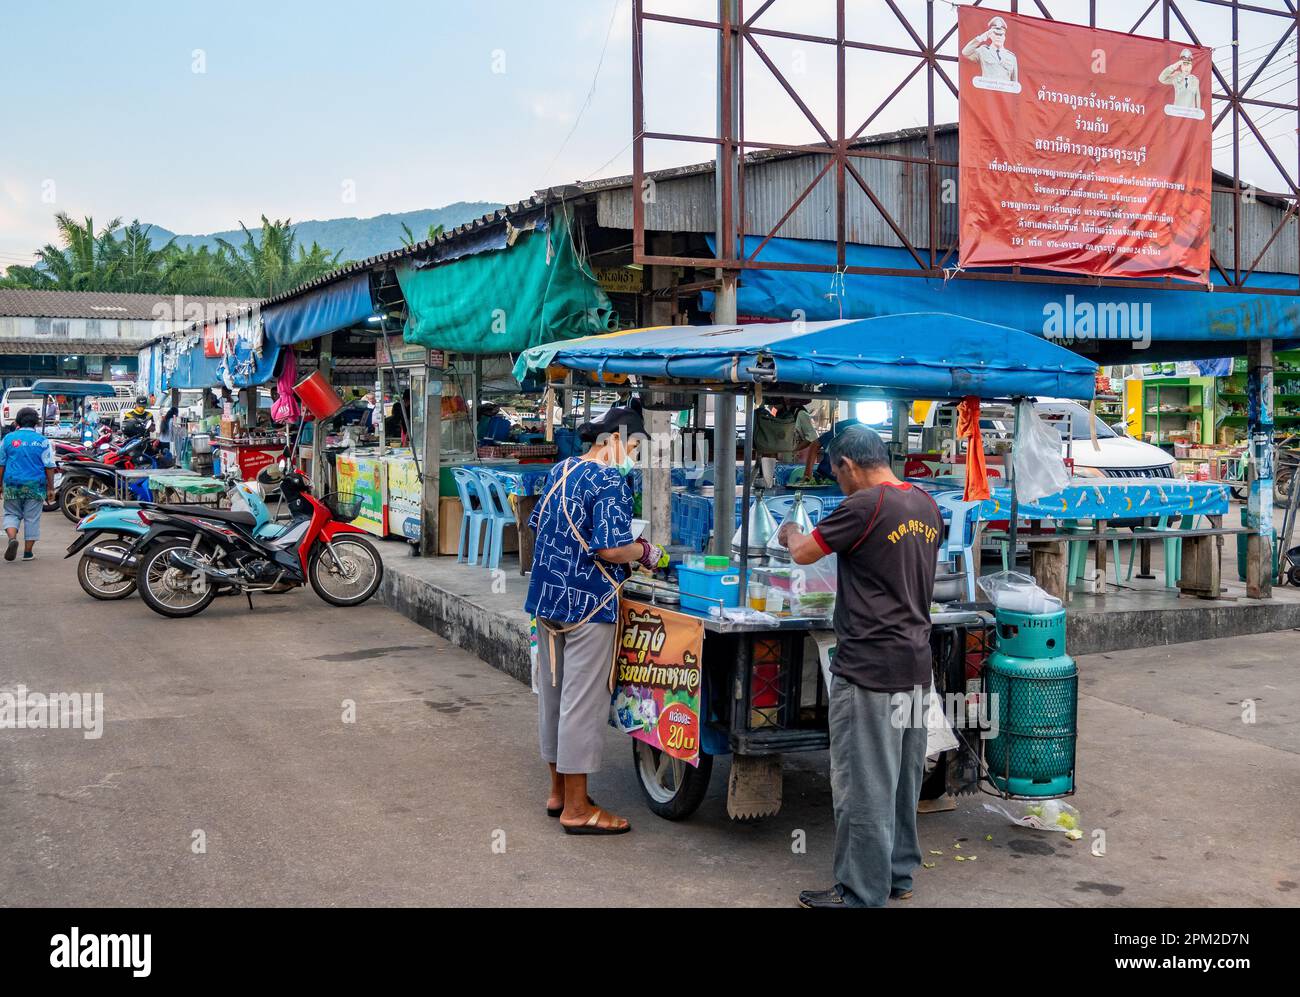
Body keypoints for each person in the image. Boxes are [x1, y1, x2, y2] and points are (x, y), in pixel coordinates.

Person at [777, 425, 943, 908]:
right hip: (915, 663)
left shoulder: (864, 506)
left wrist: (789, 530)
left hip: (868, 665)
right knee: (901, 778)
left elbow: (804, 553)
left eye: (834, 471)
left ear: (849, 464)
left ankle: (859, 892)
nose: (835, 480)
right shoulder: (924, 504)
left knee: (864, 784)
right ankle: (897, 875)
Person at [525, 406, 666, 836]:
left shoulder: (562, 469)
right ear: (616, 440)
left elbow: (537, 524)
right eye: (636, 447)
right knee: (581, 706)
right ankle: (577, 808)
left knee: (552, 699)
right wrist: (646, 553)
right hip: (588, 605)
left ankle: (557, 793)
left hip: (547, 600)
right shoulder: (609, 480)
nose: (635, 456)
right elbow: (610, 548)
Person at [0, 407, 56, 563]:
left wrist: (0, 485)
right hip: (35, 485)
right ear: (36, 423)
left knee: (11, 514)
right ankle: (27, 553)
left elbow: (1, 464)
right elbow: (49, 466)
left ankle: (12, 539)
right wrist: (50, 488)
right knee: (32, 519)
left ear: (17, 422)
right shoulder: (43, 441)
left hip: (12, 483)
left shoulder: (8, 439)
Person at [962, 15, 1017, 83]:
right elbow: (965, 52)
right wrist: (983, 37)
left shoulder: (1011, 57)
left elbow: (1015, 83)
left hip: (1005, 93)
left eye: (1001, 34)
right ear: (990, 35)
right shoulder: (983, 51)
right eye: (995, 34)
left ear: (1004, 37)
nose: (998, 37)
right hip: (987, 92)